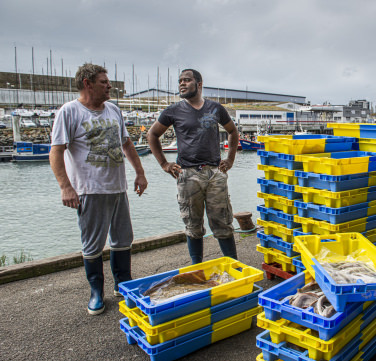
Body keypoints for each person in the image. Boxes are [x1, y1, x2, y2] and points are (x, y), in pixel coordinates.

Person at [50, 63, 148, 315]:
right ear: (87, 83)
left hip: (118, 188)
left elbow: (126, 144)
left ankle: (122, 285)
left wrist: (139, 173)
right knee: (92, 244)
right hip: (89, 191)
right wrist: (66, 187)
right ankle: (96, 292)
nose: (109, 86)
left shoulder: (113, 110)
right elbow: (57, 152)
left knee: (123, 239)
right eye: (104, 82)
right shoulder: (69, 112)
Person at [147, 69, 239, 264]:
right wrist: (164, 163)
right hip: (187, 174)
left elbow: (232, 131)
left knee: (223, 222)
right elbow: (152, 135)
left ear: (199, 84)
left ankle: (235, 265)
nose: (182, 84)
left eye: (187, 80)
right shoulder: (173, 111)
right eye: (180, 81)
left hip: (215, 173)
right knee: (193, 224)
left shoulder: (216, 108)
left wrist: (229, 159)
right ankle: (196, 267)